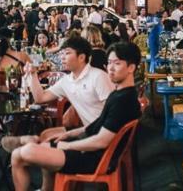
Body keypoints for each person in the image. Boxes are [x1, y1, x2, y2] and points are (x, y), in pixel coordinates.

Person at [9, 42, 141, 191]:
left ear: (131, 67)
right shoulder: (120, 95)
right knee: (18, 155)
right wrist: (69, 134)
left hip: (96, 157)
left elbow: (101, 141)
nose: (110, 68)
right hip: (91, 147)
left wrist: (67, 145)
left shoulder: (122, 99)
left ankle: (30, 143)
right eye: (109, 63)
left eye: (117, 63)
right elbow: (99, 123)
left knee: (26, 151)